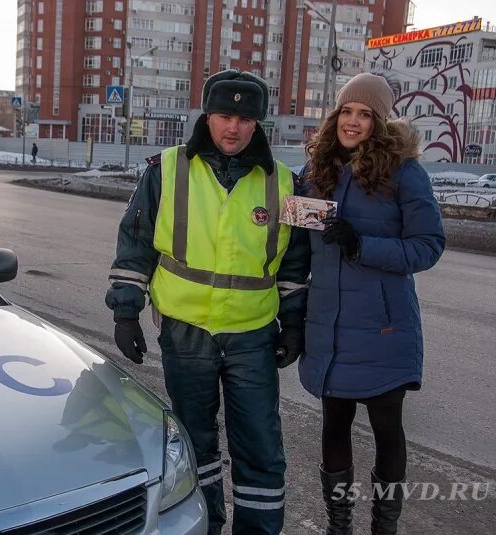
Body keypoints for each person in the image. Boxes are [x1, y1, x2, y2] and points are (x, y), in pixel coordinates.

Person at [105, 69, 311, 535]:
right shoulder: (166, 169)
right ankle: (205, 526)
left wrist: (294, 326)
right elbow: (135, 245)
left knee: (259, 445)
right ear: (207, 115)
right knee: (195, 444)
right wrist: (126, 310)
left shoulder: (283, 183)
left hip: (253, 335)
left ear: (258, 123)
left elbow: (294, 266)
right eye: (223, 115)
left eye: (244, 118)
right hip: (185, 332)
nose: (232, 127)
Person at [297, 73, 445, 535]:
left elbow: (427, 246)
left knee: (387, 430)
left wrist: (362, 245)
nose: (353, 122)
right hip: (329, 326)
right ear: (334, 115)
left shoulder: (402, 171)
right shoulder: (315, 171)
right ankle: (338, 526)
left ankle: (385, 527)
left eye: (366, 114)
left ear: (380, 122)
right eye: (347, 111)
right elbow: (297, 250)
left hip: (383, 328)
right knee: (334, 427)